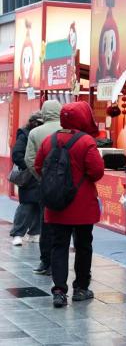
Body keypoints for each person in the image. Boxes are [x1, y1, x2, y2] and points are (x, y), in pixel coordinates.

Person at [34, 101, 105, 307]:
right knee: (83, 246)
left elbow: (38, 166)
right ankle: (81, 288)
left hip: (56, 204)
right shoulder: (86, 141)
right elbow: (96, 172)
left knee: (59, 246)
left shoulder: (49, 140)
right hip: (82, 204)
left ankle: (59, 291)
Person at [24, 99, 63, 275]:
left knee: (46, 221)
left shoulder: (35, 132)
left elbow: (30, 159)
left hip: (45, 185)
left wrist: (41, 177)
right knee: (69, 224)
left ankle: (45, 261)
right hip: (68, 185)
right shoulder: (69, 131)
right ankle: (64, 263)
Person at [9, 113, 44, 246]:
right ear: (33, 122)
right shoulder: (24, 135)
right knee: (26, 205)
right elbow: (17, 155)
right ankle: (17, 234)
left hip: (40, 174)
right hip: (29, 176)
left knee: (39, 205)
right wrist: (29, 167)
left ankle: (34, 233)